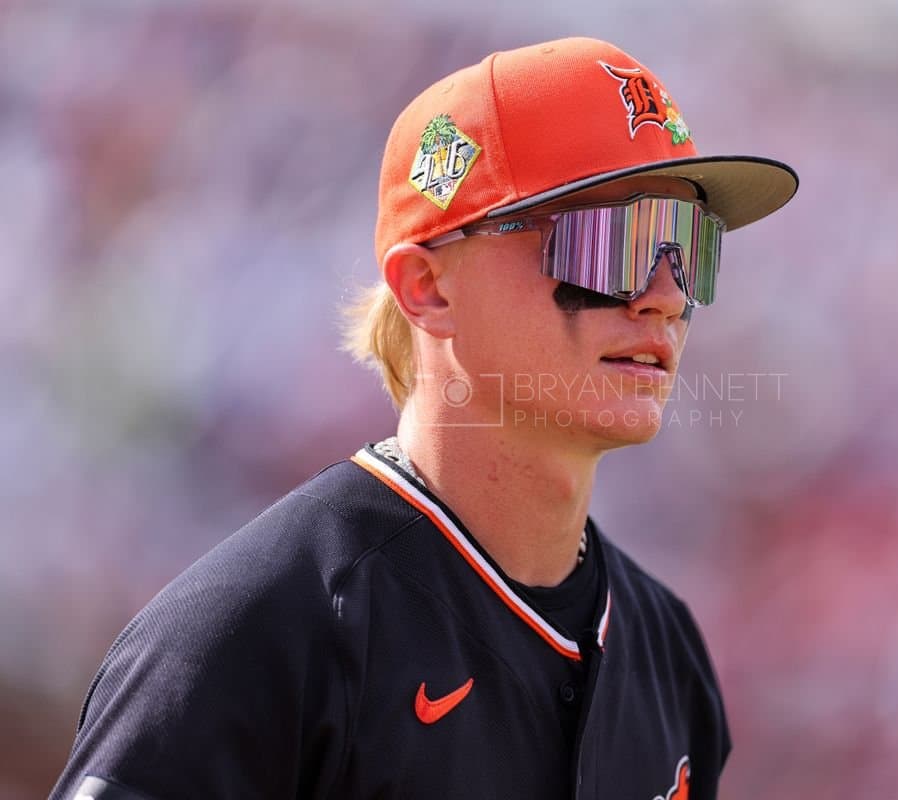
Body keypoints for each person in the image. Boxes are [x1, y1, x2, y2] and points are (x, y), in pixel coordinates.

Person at [51, 36, 796, 800]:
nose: (664, 296)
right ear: (428, 287)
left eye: (689, 249)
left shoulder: (666, 649)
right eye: (613, 242)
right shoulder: (257, 632)